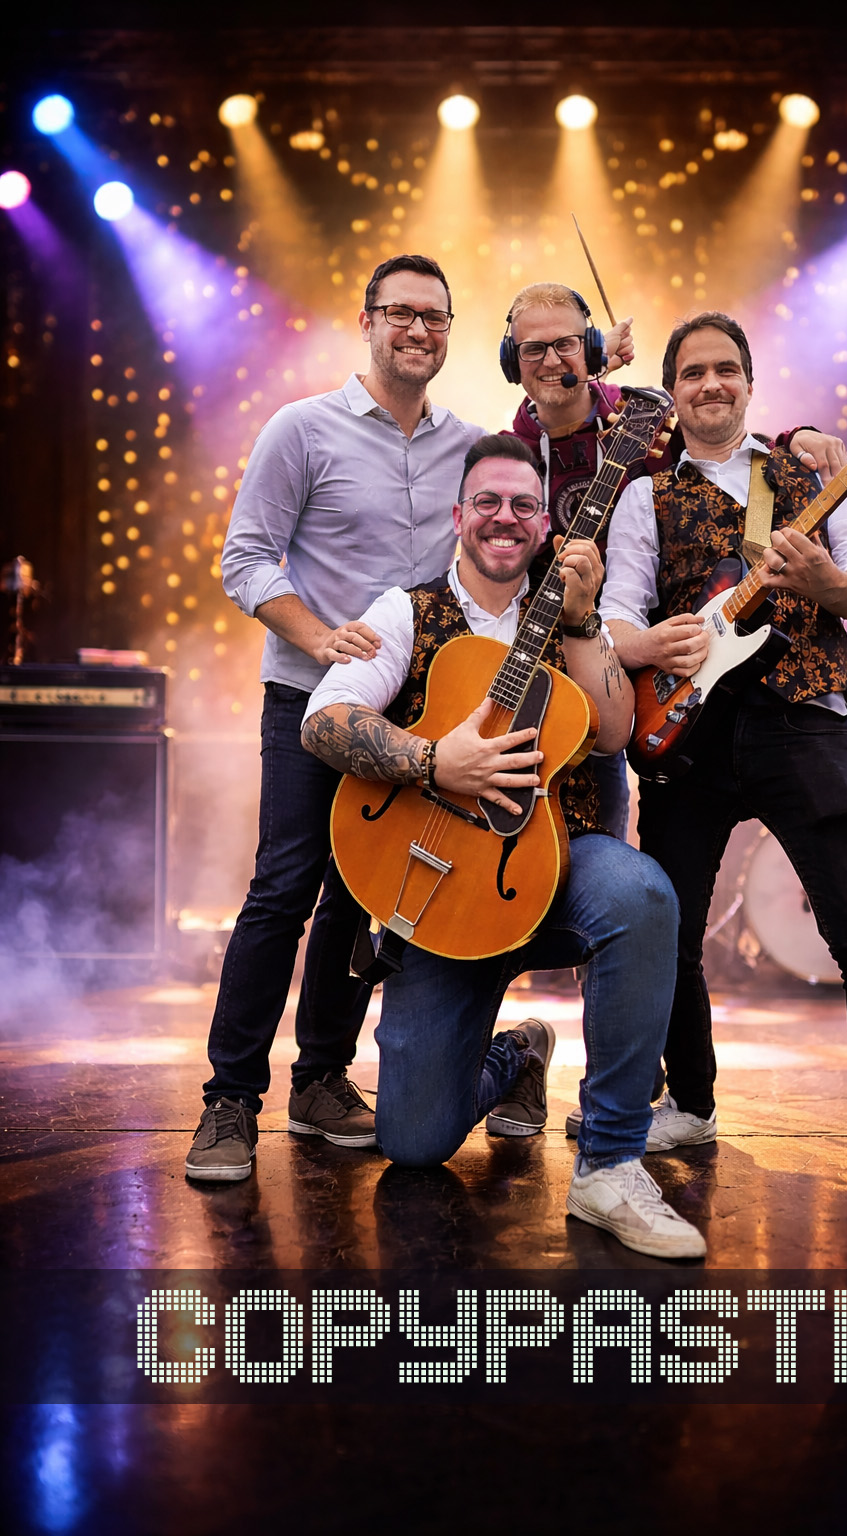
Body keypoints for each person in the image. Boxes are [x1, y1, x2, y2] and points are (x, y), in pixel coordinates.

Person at [599, 310, 847, 1259]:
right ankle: (691, 1103)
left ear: (751, 383)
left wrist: (823, 583)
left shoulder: (814, 478)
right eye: (693, 372)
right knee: (669, 935)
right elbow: (616, 619)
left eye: (726, 369)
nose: (710, 385)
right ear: (673, 392)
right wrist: (656, 644)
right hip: (688, 730)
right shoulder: (643, 496)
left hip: (805, 720)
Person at [299, 434, 706, 1259]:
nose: (505, 517)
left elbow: (615, 733)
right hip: (442, 893)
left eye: (524, 504)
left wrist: (585, 621)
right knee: (414, 1143)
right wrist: (431, 760)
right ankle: (518, 1053)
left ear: (546, 523)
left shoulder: (575, 615)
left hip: (550, 868)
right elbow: (323, 719)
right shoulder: (406, 612)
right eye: (487, 501)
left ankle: (611, 1161)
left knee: (642, 893)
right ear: (458, 515)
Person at [185, 255, 487, 1182]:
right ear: (367, 321)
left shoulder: (469, 444)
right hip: (308, 699)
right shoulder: (302, 428)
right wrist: (320, 639)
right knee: (284, 886)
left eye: (435, 316)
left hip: (412, 712)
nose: (419, 330)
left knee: (362, 895)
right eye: (401, 313)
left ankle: (320, 1080)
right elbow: (245, 559)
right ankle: (230, 1102)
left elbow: (547, 468)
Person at [500, 281, 847, 839]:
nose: (551, 361)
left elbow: (725, 445)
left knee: (600, 849)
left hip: (622, 685)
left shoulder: (642, 424)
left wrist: (794, 438)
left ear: (592, 350)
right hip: (532, 670)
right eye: (532, 349)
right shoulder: (508, 454)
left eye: (566, 345)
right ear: (510, 360)